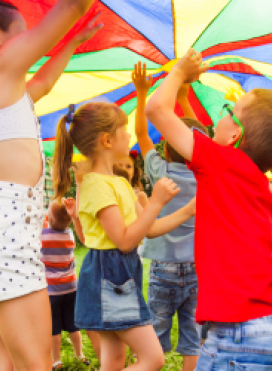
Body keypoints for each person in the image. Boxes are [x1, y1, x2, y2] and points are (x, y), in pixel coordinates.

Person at [0, 0, 101, 369]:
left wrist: (74, 41)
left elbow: (42, 83)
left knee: (8, 360)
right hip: (3, 245)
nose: (28, 42)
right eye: (23, 34)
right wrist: (74, 19)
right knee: (36, 363)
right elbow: (72, 6)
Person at [146, 49, 272, 369]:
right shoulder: (260, 184)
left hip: (237, 332)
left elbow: (156, 109)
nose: (220, 116)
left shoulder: (221, 161)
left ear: (235, 135)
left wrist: (178, 73)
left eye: (228, 111)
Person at [52, 102, 196, 371]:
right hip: (110, 274)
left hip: (117, 274)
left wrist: (188, 211)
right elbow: (126, 240)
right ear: (107, 140)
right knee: (153, 359)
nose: (129, 136)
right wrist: (156, 203)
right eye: (124, 130)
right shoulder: (96, 184)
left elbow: (147, 229)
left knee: (116, 361)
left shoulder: (118, 182)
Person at [133, 62, 205, 371]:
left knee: (156, 332)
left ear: (165, 147)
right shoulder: (208, 175)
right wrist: (185, 94)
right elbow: (199, 138)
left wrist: (141, 93)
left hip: (163, 268)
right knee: (194, 333)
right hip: (199, 266)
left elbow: (139, 132)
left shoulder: (159, 170)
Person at [42, 199, 98, 369]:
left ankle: (56, 360)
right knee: (73, 325)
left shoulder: (43, 236)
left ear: (49, 218)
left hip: (52, 292)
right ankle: (79, 354)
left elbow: (41, 224)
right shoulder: (69, 235)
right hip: (71, 288)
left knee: (54, 328)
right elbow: (57, 221)